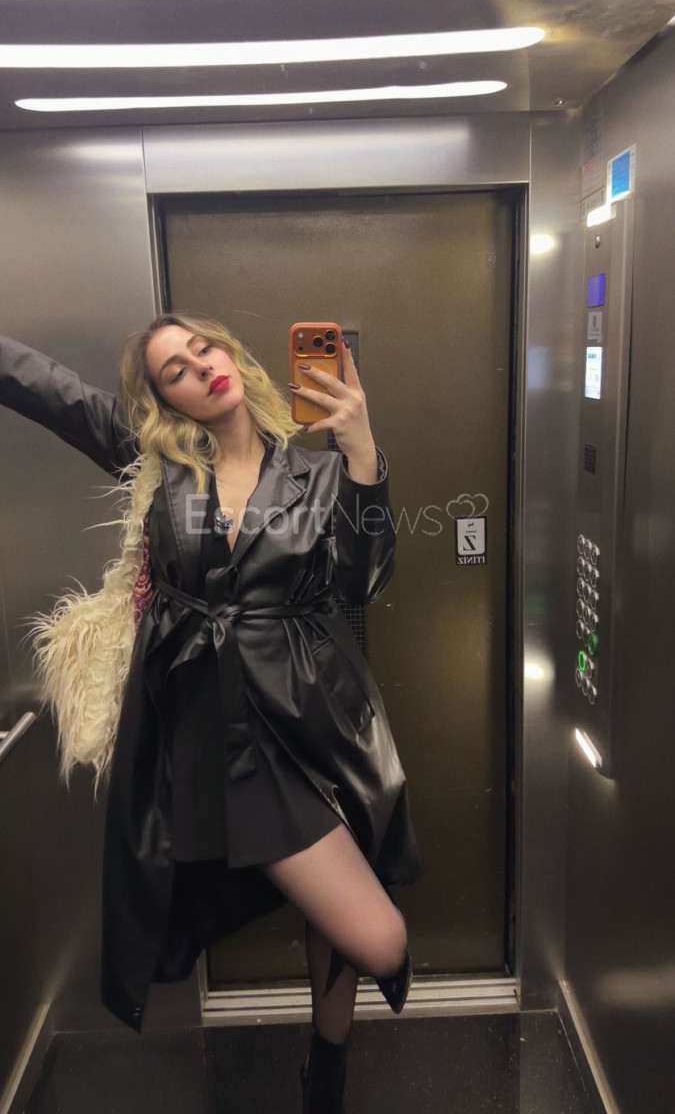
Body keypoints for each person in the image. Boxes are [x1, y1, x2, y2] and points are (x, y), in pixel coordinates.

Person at [0, 313, 422, 1113]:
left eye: (204, 349)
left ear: (230, 354)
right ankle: (324, 1076)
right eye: (176, 371)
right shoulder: (154, 462)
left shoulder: (317, 473)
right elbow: (47, 389)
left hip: (312, 720)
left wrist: (362, 451)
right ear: (165, 401)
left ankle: (325, 1075)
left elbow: (362, 580)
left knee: (349, 918)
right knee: (378, 935)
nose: (201, 368)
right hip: (210, 728)